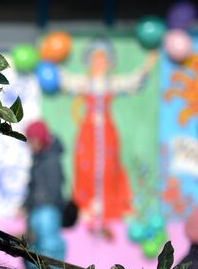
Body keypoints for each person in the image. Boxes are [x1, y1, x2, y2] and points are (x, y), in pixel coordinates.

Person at [60, 41, 157, 233]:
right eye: (96, 59)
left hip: (106, 131)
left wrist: (148, 64)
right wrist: (53, 60)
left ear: (109, 63)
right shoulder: (85, 83)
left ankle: (109, 210)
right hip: (88, 132)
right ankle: (86, 208)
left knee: (109, 167)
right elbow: (66, 80)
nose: (99, 63)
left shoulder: (111, 83)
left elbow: (131, 80)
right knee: (85, 166)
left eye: (103, 59)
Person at [22, 120, 67, 269]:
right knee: (34, 249)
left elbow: (53, 190)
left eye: (32, 140)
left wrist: (38, 204)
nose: (30, 145)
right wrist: (25, 206)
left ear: (41, 140)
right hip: (37, 210)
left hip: (47, 210)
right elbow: (32, 186)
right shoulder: (38, 159)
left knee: (48, 247)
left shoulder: (51, 160)